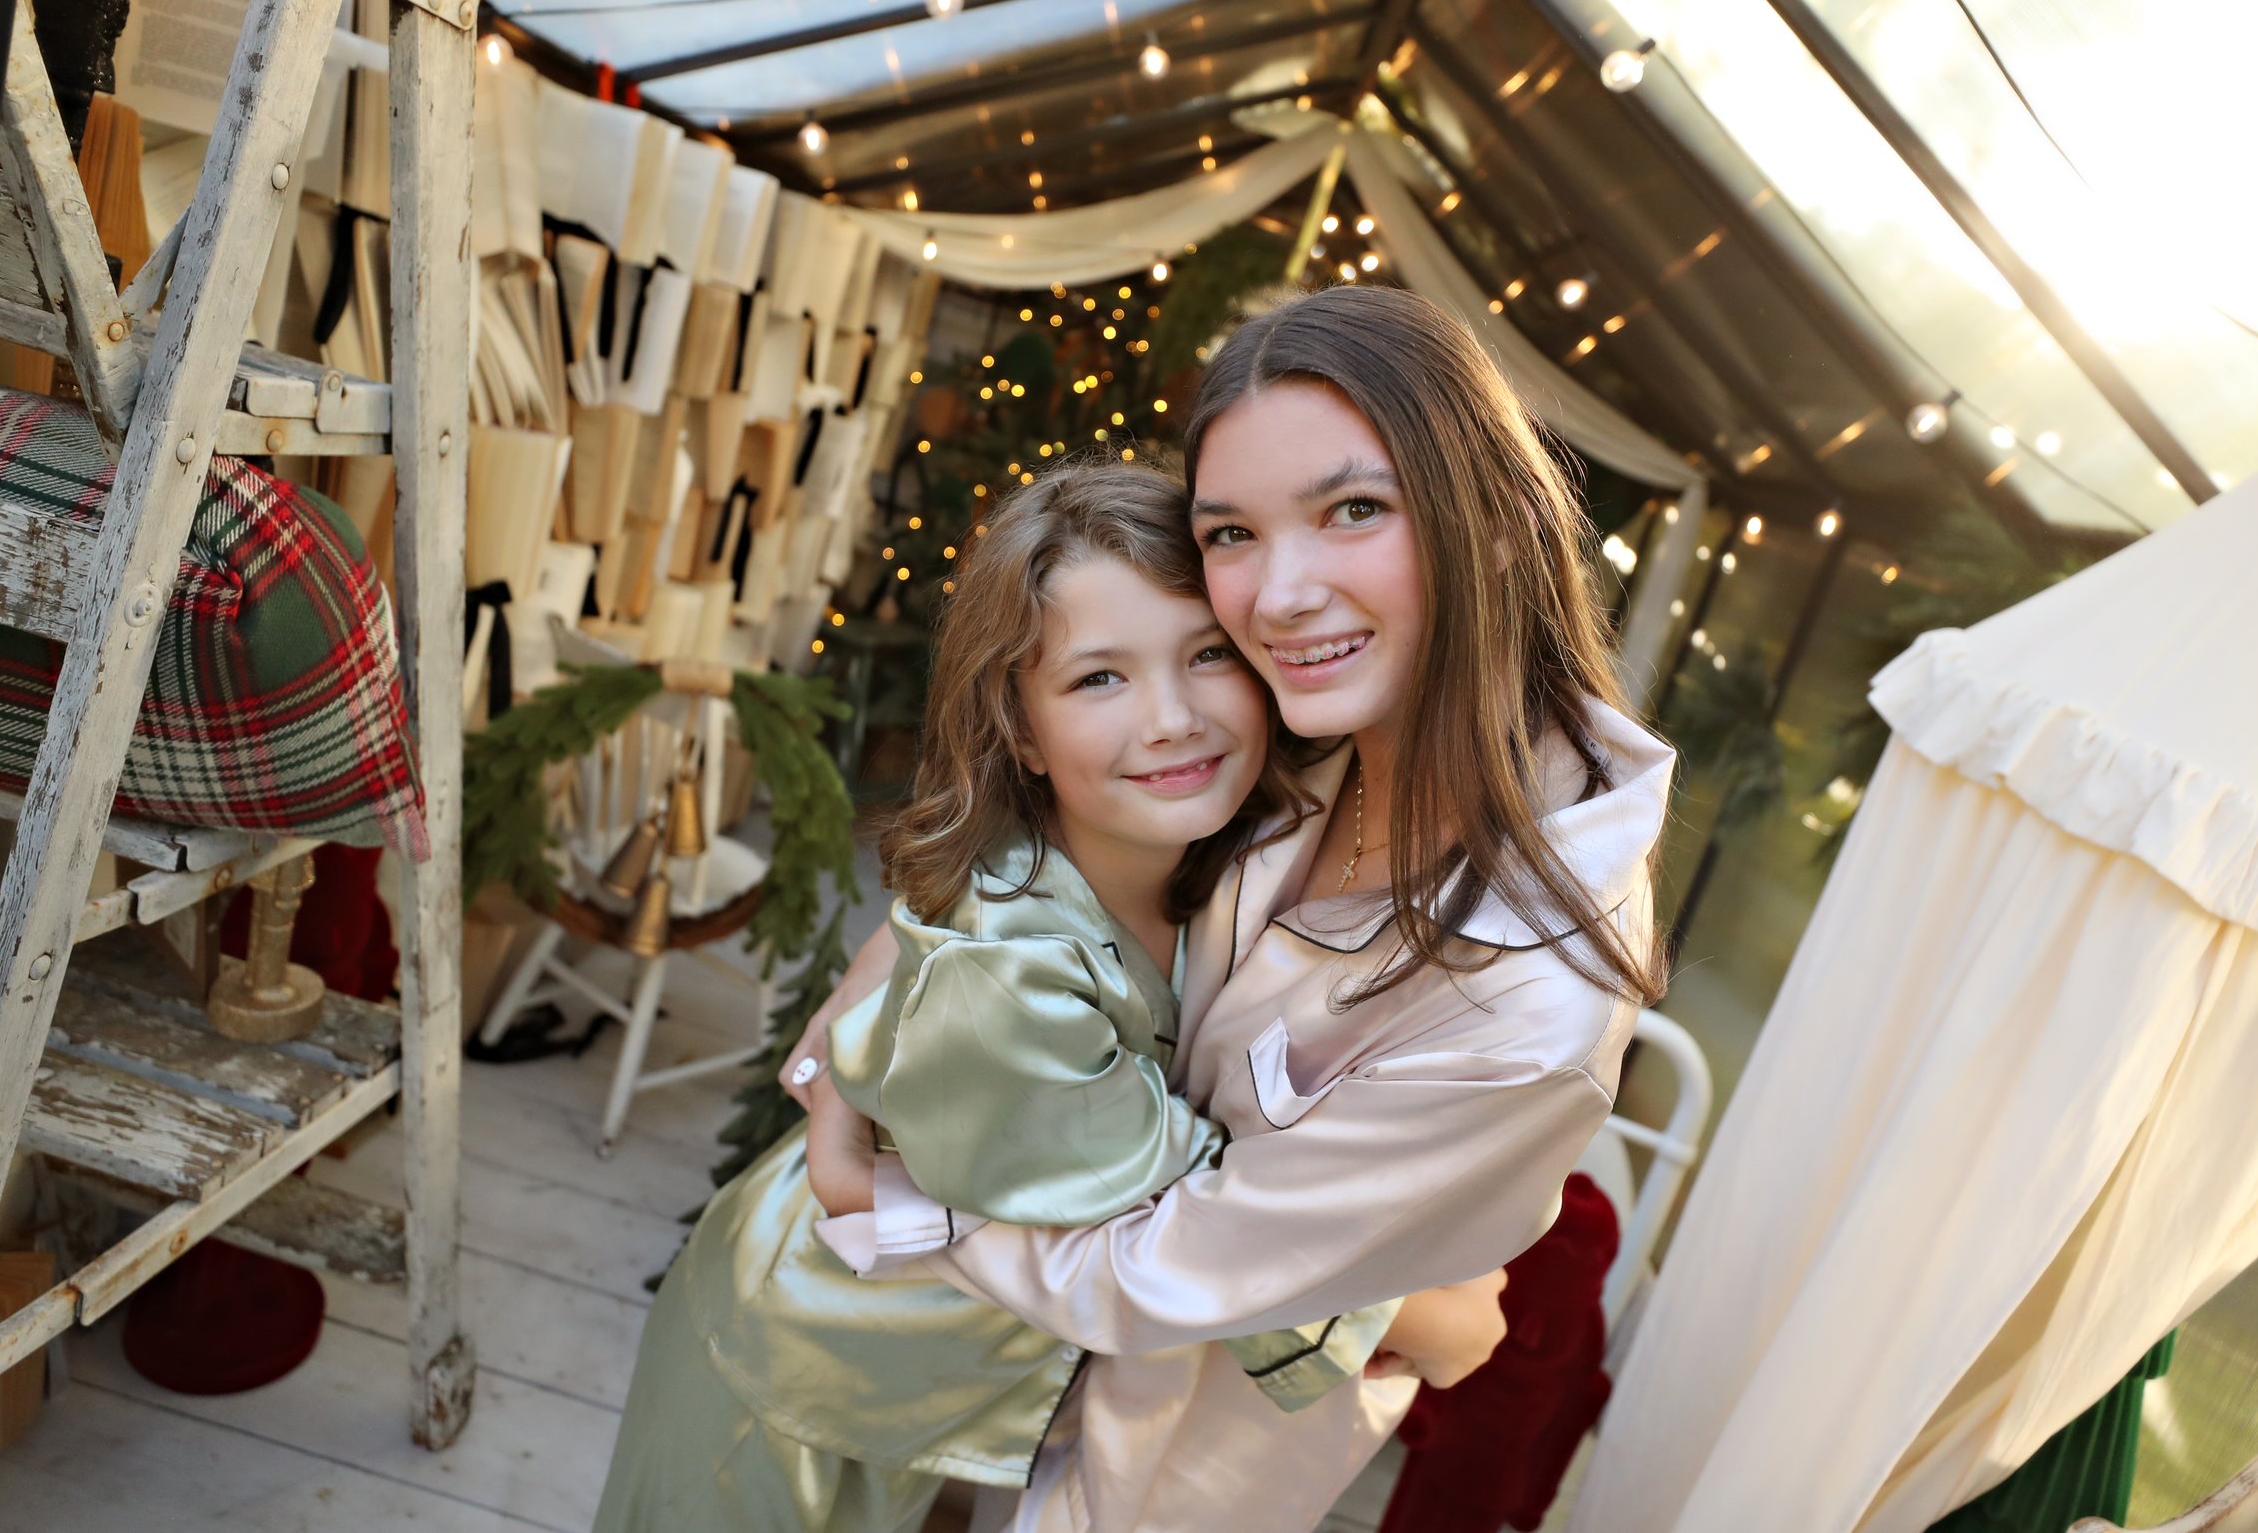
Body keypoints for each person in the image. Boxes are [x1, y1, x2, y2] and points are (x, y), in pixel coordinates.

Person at [807, 284, 1672, 1532]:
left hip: (1166, 1466)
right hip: (950, 1383)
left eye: (1354, 509)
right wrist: (870, 1010)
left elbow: (1158, 1268)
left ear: (1493, 519)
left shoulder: (1530, 998)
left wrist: (879, 1193)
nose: (1277, 594)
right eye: (1231, 534)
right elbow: (1035, 844)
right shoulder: (1292, 724)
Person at [592, 464, 1487, 1533]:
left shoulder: (1219, 850)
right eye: (1098, 678)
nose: (1171, 718)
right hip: (797, 1370)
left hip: (957, 1373)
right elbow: (1182, 1214)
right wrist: (1428, 1317)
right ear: (1016, 728)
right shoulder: (1016, 970)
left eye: (1207, 654)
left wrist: (840, 1042)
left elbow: (914, 928)